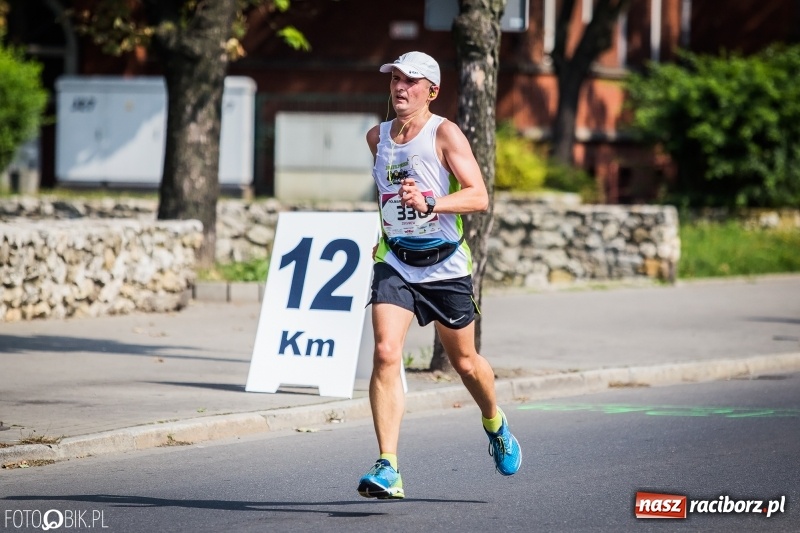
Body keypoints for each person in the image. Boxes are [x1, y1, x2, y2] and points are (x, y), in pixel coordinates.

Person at [357, 51, 522, 500]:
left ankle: (495, 422)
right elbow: (386, 192)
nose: (399, 87)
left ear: (431, 90)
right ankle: (388, 465)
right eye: (395, 78)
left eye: (410, 81)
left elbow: (479, 196)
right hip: (395, 261)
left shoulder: (444, 133)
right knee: (386, 352)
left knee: (465, 363)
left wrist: (431, 203)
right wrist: (386, 232)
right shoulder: (377, 137)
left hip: (446, 265)